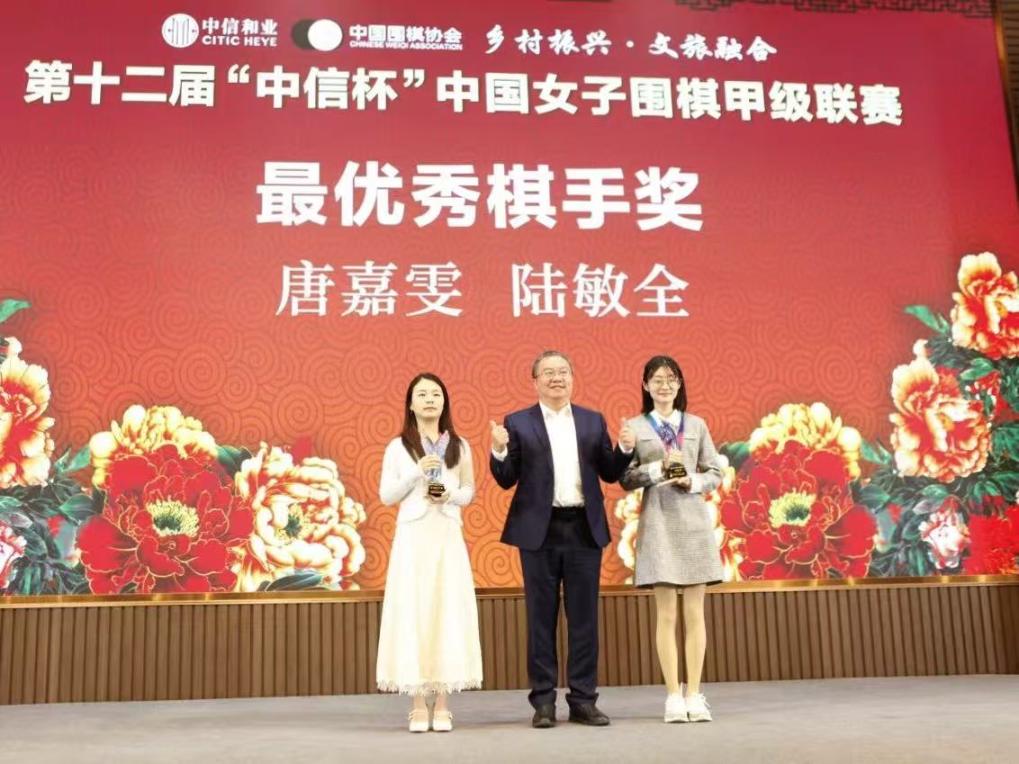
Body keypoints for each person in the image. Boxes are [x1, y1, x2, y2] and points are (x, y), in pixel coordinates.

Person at [489, 350, 635, 728]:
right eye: (549, 373)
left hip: (583, 528)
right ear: (535, 381)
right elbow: (506, 478)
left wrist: (625, 449)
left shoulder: (591, 420)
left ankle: (583, 700)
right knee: (541, 619)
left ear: (572, 378)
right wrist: (499, 449)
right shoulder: (518, 422)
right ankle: (543, 703)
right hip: (539, 531)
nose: (557, 378)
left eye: (563, 371)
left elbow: (609, 472)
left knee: (584, 620)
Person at [619, 355, 724, 723]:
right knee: (666, 615)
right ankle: (672, 696)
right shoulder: (635, 427)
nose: (664, 386)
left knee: (695, 613)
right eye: (657, 379)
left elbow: (715, 471)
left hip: (693, 523)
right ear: (645, 385)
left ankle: (694, 693)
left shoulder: (696, 425)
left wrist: (692, 480)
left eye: (671, 379)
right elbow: (626, 478)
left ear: (680, 384)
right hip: (659, 522)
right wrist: (656, 468)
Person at [376, 373, 482, 732]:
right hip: (413, 537)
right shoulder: (398, 447)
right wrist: (415, 474)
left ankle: (444, 703)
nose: (429, 399)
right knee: (415, 612)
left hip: (447, 535)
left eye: (436, 394)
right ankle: (419, 703)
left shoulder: (459, 446)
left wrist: (450, 495)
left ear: (444, 402)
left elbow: (468, 491)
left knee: (446, 611)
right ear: (410, 404)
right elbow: (386, 496)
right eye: (421, 394)